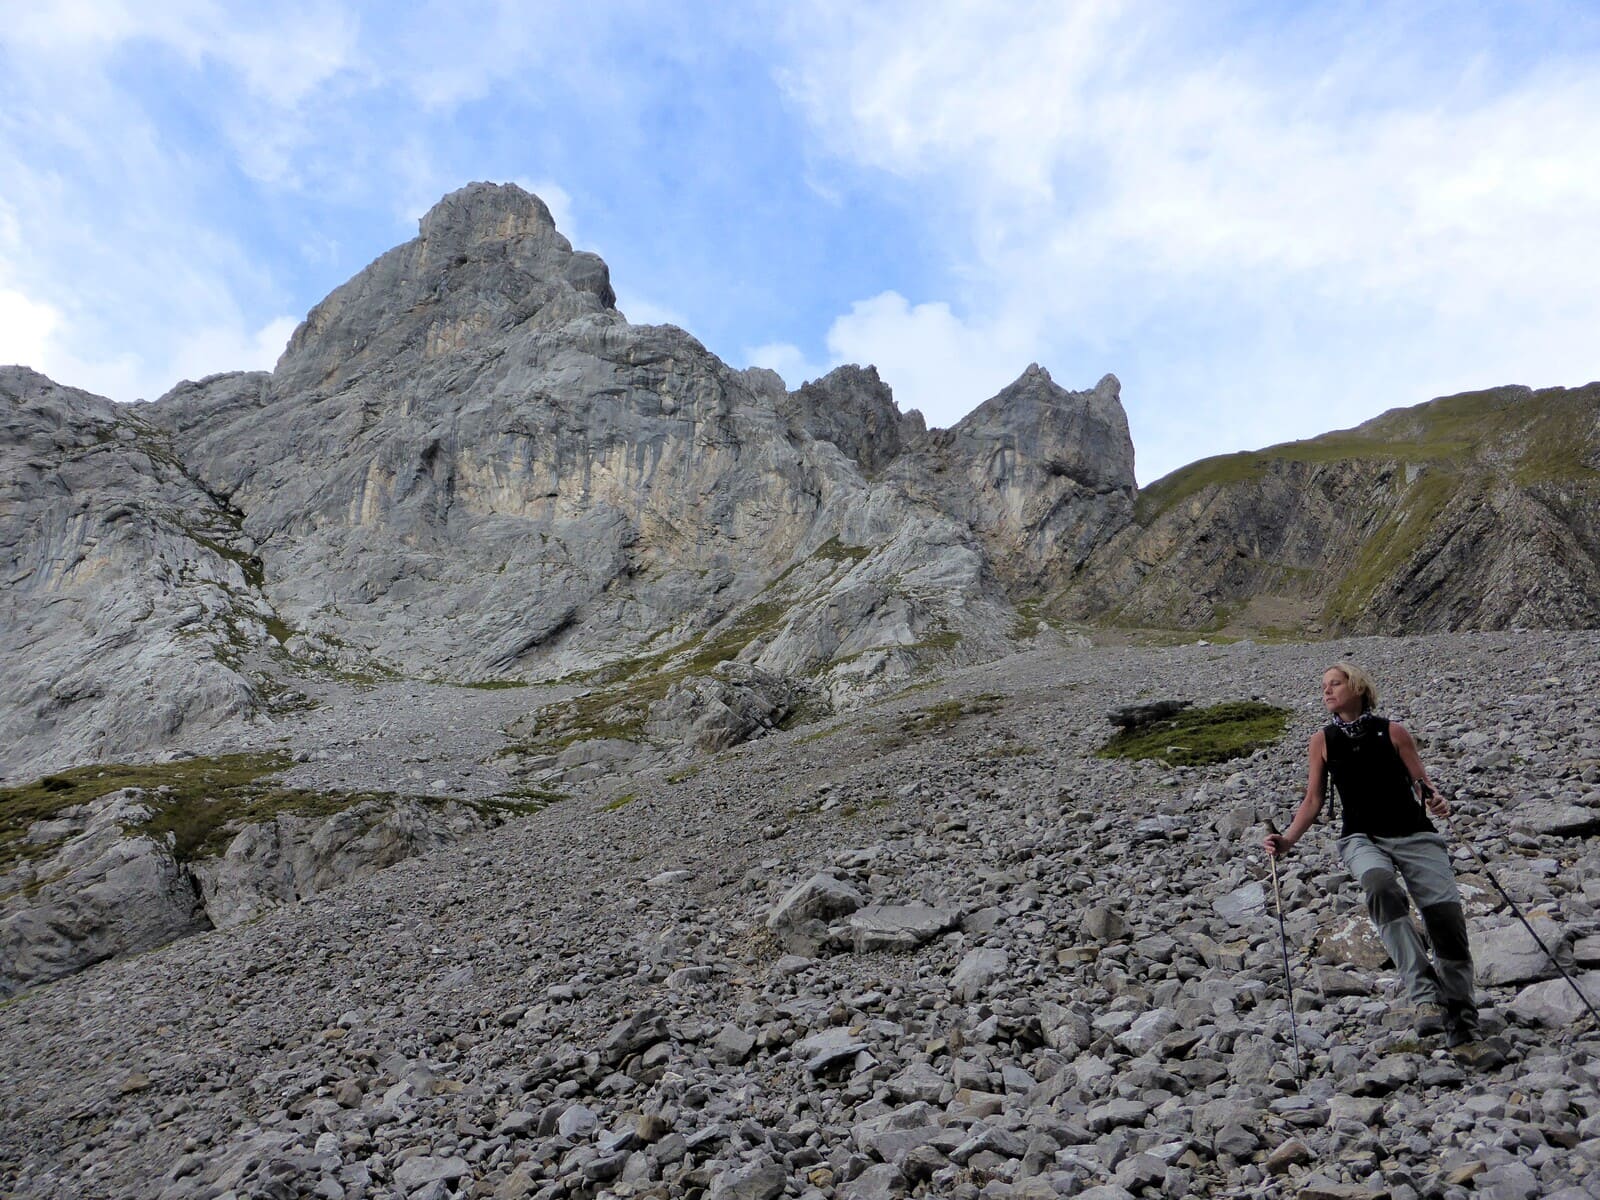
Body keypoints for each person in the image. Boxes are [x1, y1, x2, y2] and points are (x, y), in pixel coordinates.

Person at [1264, 662, 1480, 1047]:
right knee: (1378, 883)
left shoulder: (1393, 732)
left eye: (1335, 683)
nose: (1327, 691)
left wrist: (1437, 800)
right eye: (1323, 686)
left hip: (1415, 834)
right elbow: (1313, 801)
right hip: (1361, 837)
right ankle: (1424, 994)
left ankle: (1462, 1016)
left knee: (1446, 922)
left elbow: (1422, 784)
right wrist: (1287, 840)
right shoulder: (1323, 741)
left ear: (1358, 687)